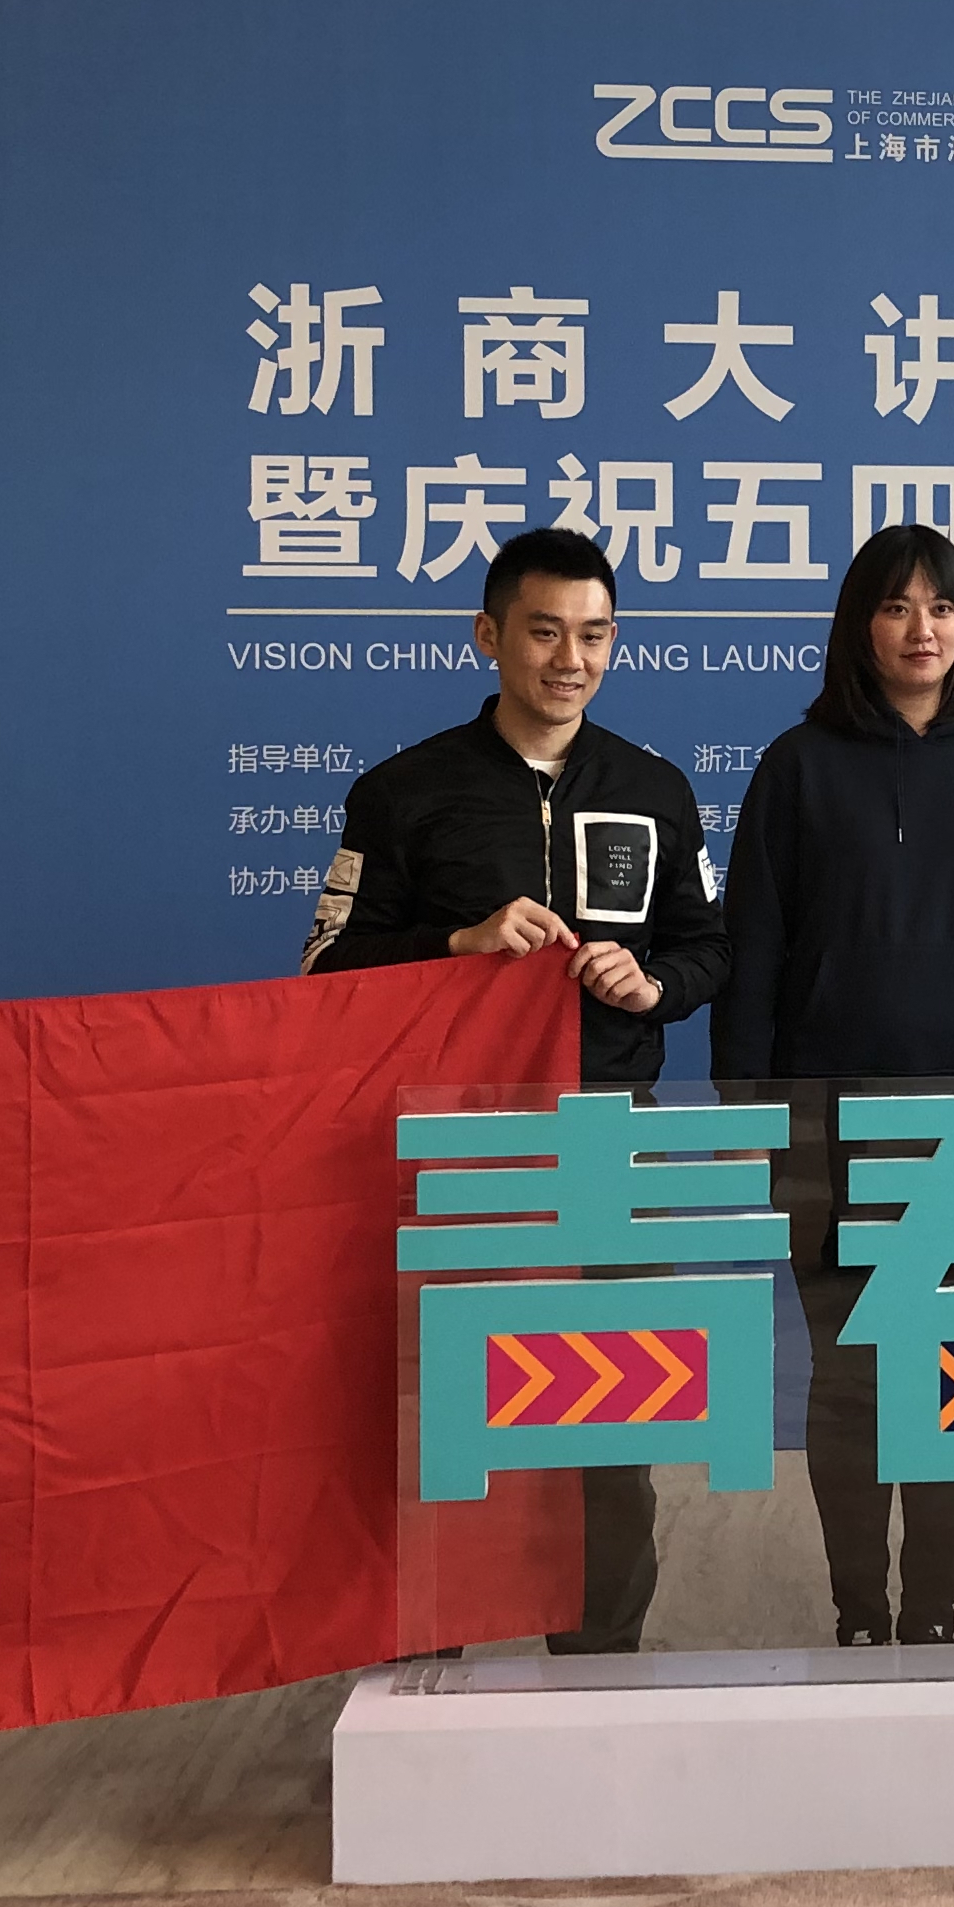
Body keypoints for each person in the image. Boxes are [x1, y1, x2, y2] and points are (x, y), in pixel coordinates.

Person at [303, 525, 727, 1651]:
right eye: (544, 633)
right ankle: (426, 1662)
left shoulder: (655, 789)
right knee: (446, 1407)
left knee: (613, 1414)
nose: (570, 660)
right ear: (489, 637)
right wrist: (458, 942)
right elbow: (326, 968)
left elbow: (710, 949)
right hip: (458, 1148)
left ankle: (600, 1661)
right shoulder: (403, 792)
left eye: (594, 635)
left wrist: (655, 985)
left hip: (609, 1144)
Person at [715, 521, 954, 1645]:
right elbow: (754, 948)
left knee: (949, 1371)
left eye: (942, 606)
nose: (922, 628)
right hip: (827, 1126)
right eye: (895, 606)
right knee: (848, 1373)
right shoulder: (797, 765)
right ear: (858, 627)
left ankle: (931, 1608)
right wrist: (747, 1110)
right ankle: (857, 1608)